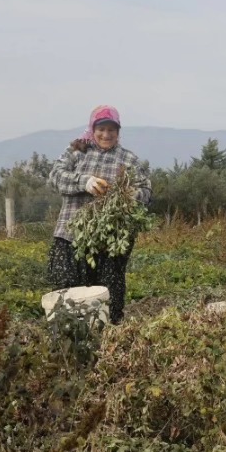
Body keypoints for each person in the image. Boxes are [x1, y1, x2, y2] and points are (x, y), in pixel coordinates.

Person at [47, 105, 152, 324]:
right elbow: (55, 177)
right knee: (68, 290)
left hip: (110, 239)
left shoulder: (129, 159)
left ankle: (107, 340)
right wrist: (84, 181)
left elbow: (146, 190)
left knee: (107, 292)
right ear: (92, 129)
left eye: (112, 130)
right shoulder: (77, 151)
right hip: (70, 234)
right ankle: (70, 339)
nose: (106, 134)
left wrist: (131, 194)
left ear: (118, 131)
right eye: (101, 129)